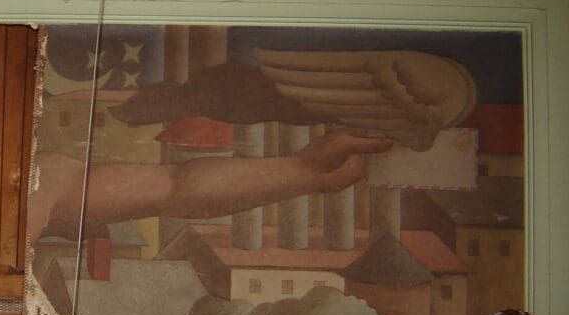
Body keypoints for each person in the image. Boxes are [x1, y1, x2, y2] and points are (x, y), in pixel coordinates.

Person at [28, 128, 392, 243]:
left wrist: (304, 172)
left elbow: (175, 188)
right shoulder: (41, 181)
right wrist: (305, 174)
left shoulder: (37, 178)